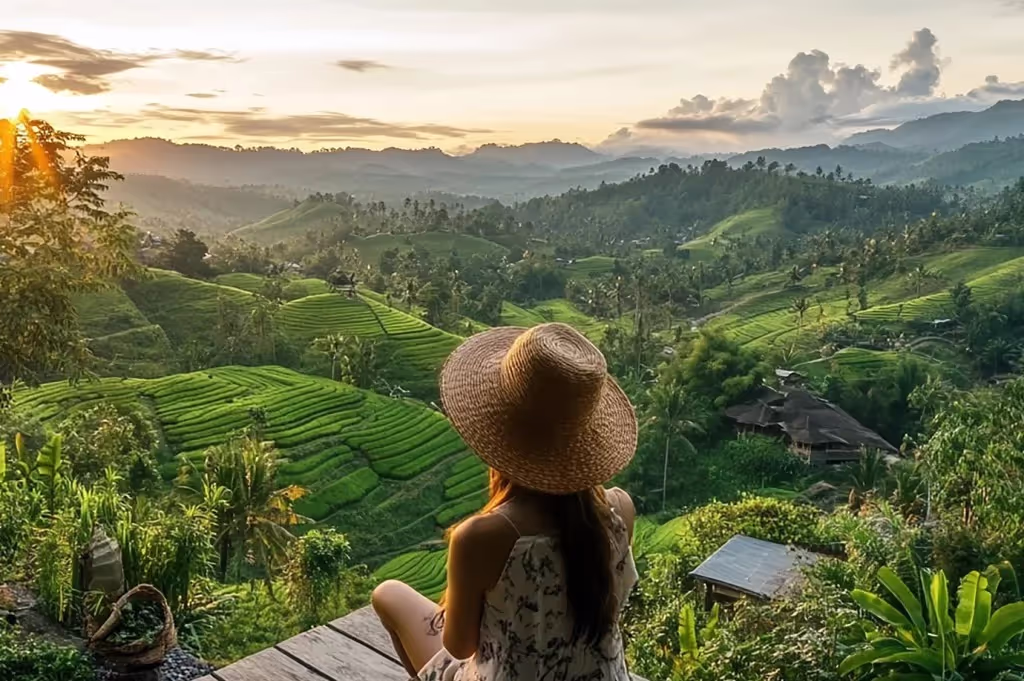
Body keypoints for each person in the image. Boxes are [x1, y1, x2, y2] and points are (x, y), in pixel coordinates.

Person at [372, 322, 639, 681]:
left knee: (388, 593)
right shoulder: (619, 510)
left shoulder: (482, 536)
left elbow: (460, 647)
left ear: (497, 429)